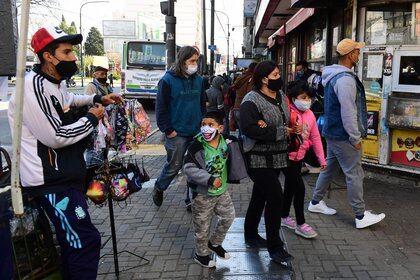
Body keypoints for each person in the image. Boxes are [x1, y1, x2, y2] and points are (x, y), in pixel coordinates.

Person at [8, 25, 123, 279]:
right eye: (67, 52)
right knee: (84, 241)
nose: (74, 57)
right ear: (48, 56)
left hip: (65, 178)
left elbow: (69, 99)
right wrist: (92, 119)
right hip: (50, 183)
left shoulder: (54, 84)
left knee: (76, 242)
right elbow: (56, 136)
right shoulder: (32, 88)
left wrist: (96, 100)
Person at [308, 38, 386, 229]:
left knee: (329, 168)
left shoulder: (334, 75)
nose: (359, 54)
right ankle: (360, 216)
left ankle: (316, 203)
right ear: (351, 55)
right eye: (357, 52)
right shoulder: (345, 79)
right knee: (354, 173)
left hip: (333, 132)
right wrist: (355, 137)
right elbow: (348, 111)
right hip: (343, 135)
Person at [240, 60, 293, 264]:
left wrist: (288, 129)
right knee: (275, 197)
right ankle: (275, 247)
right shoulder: (251, 100)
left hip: (278, 157)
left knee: (259, 197)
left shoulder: (280, 96)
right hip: (257, 159)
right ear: (263, 79)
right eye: (275, 75)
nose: (279, 78)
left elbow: (283, 120)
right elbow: (249, 128)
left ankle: (251, 235)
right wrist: (277, 131)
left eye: (279, 73)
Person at [183, 111, 248, 268]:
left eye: (210, 125)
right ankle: (201, 254)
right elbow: (188, 168)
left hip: (221, 192)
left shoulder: (228, 142)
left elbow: (247, 143)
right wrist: (210, 179)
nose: (206, 128)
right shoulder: (196, 146)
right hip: (203, 195)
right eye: (203, 124)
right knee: (202, 227)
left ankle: (214, 244)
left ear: (220, 127)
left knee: (228, 217)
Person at [153, 46, 206, 208]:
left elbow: (202, 104)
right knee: (174, 166)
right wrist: (168, 130)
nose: (195, 64)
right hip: (176, 134)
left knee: (195, 167)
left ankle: (192, 199)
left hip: (196, 132)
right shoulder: (167, 81)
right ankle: (159, 187)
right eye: (192, 61)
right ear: (182, 61)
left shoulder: (199, 80)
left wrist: (204, 124)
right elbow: (160, 108)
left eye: (196, 61)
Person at [277, 80, 326, 238]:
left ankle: (283, 216)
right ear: (293, 99)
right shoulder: (285, 113)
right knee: (300, 188)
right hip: (286, 157)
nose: (306, 101)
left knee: (291, 188)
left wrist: (321, 159)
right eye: (303, 97)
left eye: (308, 98)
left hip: (300, 157)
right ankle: (300, 224)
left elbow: (316, 137)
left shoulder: (311, 114)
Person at [85, 66, 114, 166]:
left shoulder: (107, 86)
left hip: (106, 122)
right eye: (101, 74)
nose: (104, 76)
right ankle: (92, 169)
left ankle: (102, 167)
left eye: (105, 74)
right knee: (95, 147)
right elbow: (89, 103)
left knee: (105, 145)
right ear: (95, 74)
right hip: (97, 122)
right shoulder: (91, 86)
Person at [232, 62, 257, 135]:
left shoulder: (240, 77)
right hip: (245, 109)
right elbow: (250, 94)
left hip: (236, 107)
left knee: (241, 133)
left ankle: (240, 145)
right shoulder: (252, 79)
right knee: (246, 135)